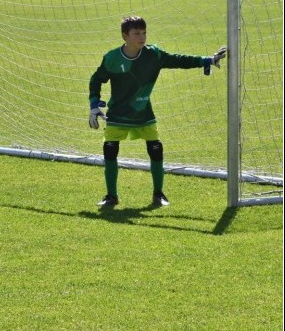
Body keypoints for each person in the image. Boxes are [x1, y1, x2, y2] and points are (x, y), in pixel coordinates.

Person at [89, 15, 227, 207]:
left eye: (144, 32)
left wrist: (207, 60)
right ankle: (111, 196)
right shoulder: (112, 58)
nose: (142, 37)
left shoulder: (153, 55)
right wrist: (94, 105)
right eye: (136, 33)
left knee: (156, 148)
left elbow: (178, 60)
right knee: (110, 150)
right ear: (125, 36)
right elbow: (96, 79)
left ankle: (158, 194)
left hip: (143, 113)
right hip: (118, 115)